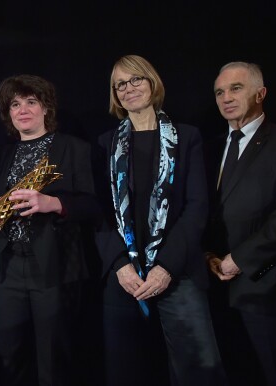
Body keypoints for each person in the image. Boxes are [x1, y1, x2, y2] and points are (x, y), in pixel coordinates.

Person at [94, 54, 226, 386]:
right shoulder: (105, 144)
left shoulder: (187, 137)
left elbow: (196, 208)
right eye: (120, 84)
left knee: (199, 370)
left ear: (153, 83)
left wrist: (166, 267)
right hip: (124, 273)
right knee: (125, 371)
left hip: (177, 271)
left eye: (136, 79)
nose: (129, 88)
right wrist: (120, 265)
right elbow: (99, 215)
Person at [0, 74, 99, 386]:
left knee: (53, 361)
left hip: (55, 266)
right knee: (8, 356)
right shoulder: (2, 153)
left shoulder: (74, 149)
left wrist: (55, 204)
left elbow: (94, 206)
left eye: (31, 102)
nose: (23, 109)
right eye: (15, 104)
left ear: (46, 107)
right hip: (7, 268)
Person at [204, 61, 276, 386]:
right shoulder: (208, 148)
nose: (226, 97)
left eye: (236, 88)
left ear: (260, 93)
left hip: (265, 289)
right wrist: (205, 256)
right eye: (219, 92)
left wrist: (237, 261)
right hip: (212, 288)